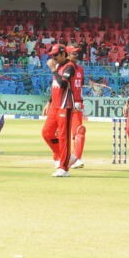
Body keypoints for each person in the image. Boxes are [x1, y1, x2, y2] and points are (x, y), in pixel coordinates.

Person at [42, 44, 76, 177]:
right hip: (55, 105)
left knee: (63, 137)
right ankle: (67, 157)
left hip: (65, 105)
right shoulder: (58, 66)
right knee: (47, 133)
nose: (54, 58)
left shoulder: (69, 66)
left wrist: (52, 70)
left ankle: (64, 167)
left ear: (63, 54)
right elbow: (55, 86)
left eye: (56, 55)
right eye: (52, 56)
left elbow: (62, 84)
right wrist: (49, 102)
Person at [67, 45, 87, 169]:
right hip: (67, 104)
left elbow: (79, 86)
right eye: (73, 53)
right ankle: (60, 157)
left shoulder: (80, 69)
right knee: (60, 133)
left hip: (77, 105)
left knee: (78, 131)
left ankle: (76, 158)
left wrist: (78, 100)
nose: (76, 55)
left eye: (77, 53)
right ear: (68, 55)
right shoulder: (65, 68)